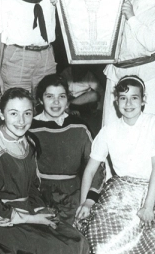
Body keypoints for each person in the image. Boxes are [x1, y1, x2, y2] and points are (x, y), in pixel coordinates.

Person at [0, 87, 89, 254]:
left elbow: (33, 186)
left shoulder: (29, 142)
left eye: (27, 113)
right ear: (1, 114)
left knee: (77, 242)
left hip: (26, 210)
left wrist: (40, 210)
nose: (21, 120)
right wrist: (32, 218)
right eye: (13, 113)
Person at [76, 76, 155, 254]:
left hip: (148, 189)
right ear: (116, 101)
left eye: (134, 98)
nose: (128, 104)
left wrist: (148, 206)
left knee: (141, 230)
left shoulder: (154, 123)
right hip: (119, 190)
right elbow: (90, 170)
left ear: (143, 100)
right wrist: (84, 203)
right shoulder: (108, 130)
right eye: (123, 98)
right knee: (94, 237)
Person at [29, 74, 105, 225]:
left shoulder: (79, 127)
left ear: (68, 100)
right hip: (38, 194)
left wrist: (88, 201)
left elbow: (96, 168)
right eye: (49, 96)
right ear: (40, 100)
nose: (56, 102)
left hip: (74, 194)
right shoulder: (30, 128)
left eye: (62, 96)